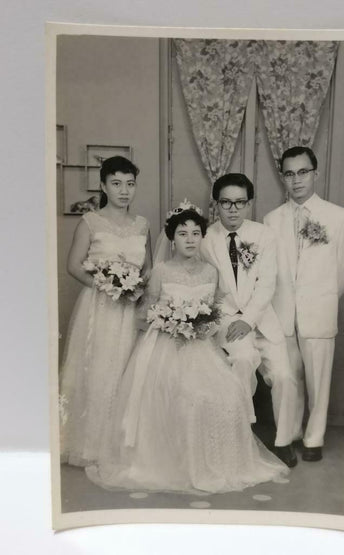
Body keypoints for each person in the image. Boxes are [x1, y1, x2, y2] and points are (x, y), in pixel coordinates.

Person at [86, 202, 289, 493]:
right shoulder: (160, 271)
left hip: (201, 347)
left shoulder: (210, 273)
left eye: (196, 233)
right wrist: (168, 321)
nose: (190, 239)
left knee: (228, 393)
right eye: (183, 233)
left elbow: (215, 312)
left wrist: (200, 324)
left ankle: (220, 464)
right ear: (172, 238)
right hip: (165, 349)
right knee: (183, 394)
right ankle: (180, 464)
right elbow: (144, 316)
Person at [200, 174, 298, 468]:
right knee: (241, 362)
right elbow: (208, 286)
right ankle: (239, 437)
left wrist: (250, 319)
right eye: (226, 202)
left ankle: (283, 443)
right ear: (216, 204)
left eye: (240, 202)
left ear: (249, 203)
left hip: (263, 319)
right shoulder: (205, 239)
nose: (233, 209)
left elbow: (268, 283)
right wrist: (232, 321)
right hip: (228, 320)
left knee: (284, 376)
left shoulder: (264, 235)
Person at [264, 146, 344, 462]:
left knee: (319, 380)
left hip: (319, 310)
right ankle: (288, 435)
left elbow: (343, 271)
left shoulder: (339, 217)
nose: (296, 180)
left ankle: (314, 439)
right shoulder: (271, 219)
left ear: (315, 172)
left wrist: (321, 299)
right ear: (283, 177)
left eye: (303, 172)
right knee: (290, 377)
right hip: (282, 312)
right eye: (289, 173)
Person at [60, 156, 151, 467]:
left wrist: (136, 290)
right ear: (103, 186)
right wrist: (107, 286)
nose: (124, 191)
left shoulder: (142, 225)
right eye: (116, 184)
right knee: (97, 369)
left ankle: (122, 444)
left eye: (130, 184)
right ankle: (91, 445)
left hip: (131, 309)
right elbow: (73, 266)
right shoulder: (90, 222)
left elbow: (148, 269)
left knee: (128, 369)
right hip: (99, 307)